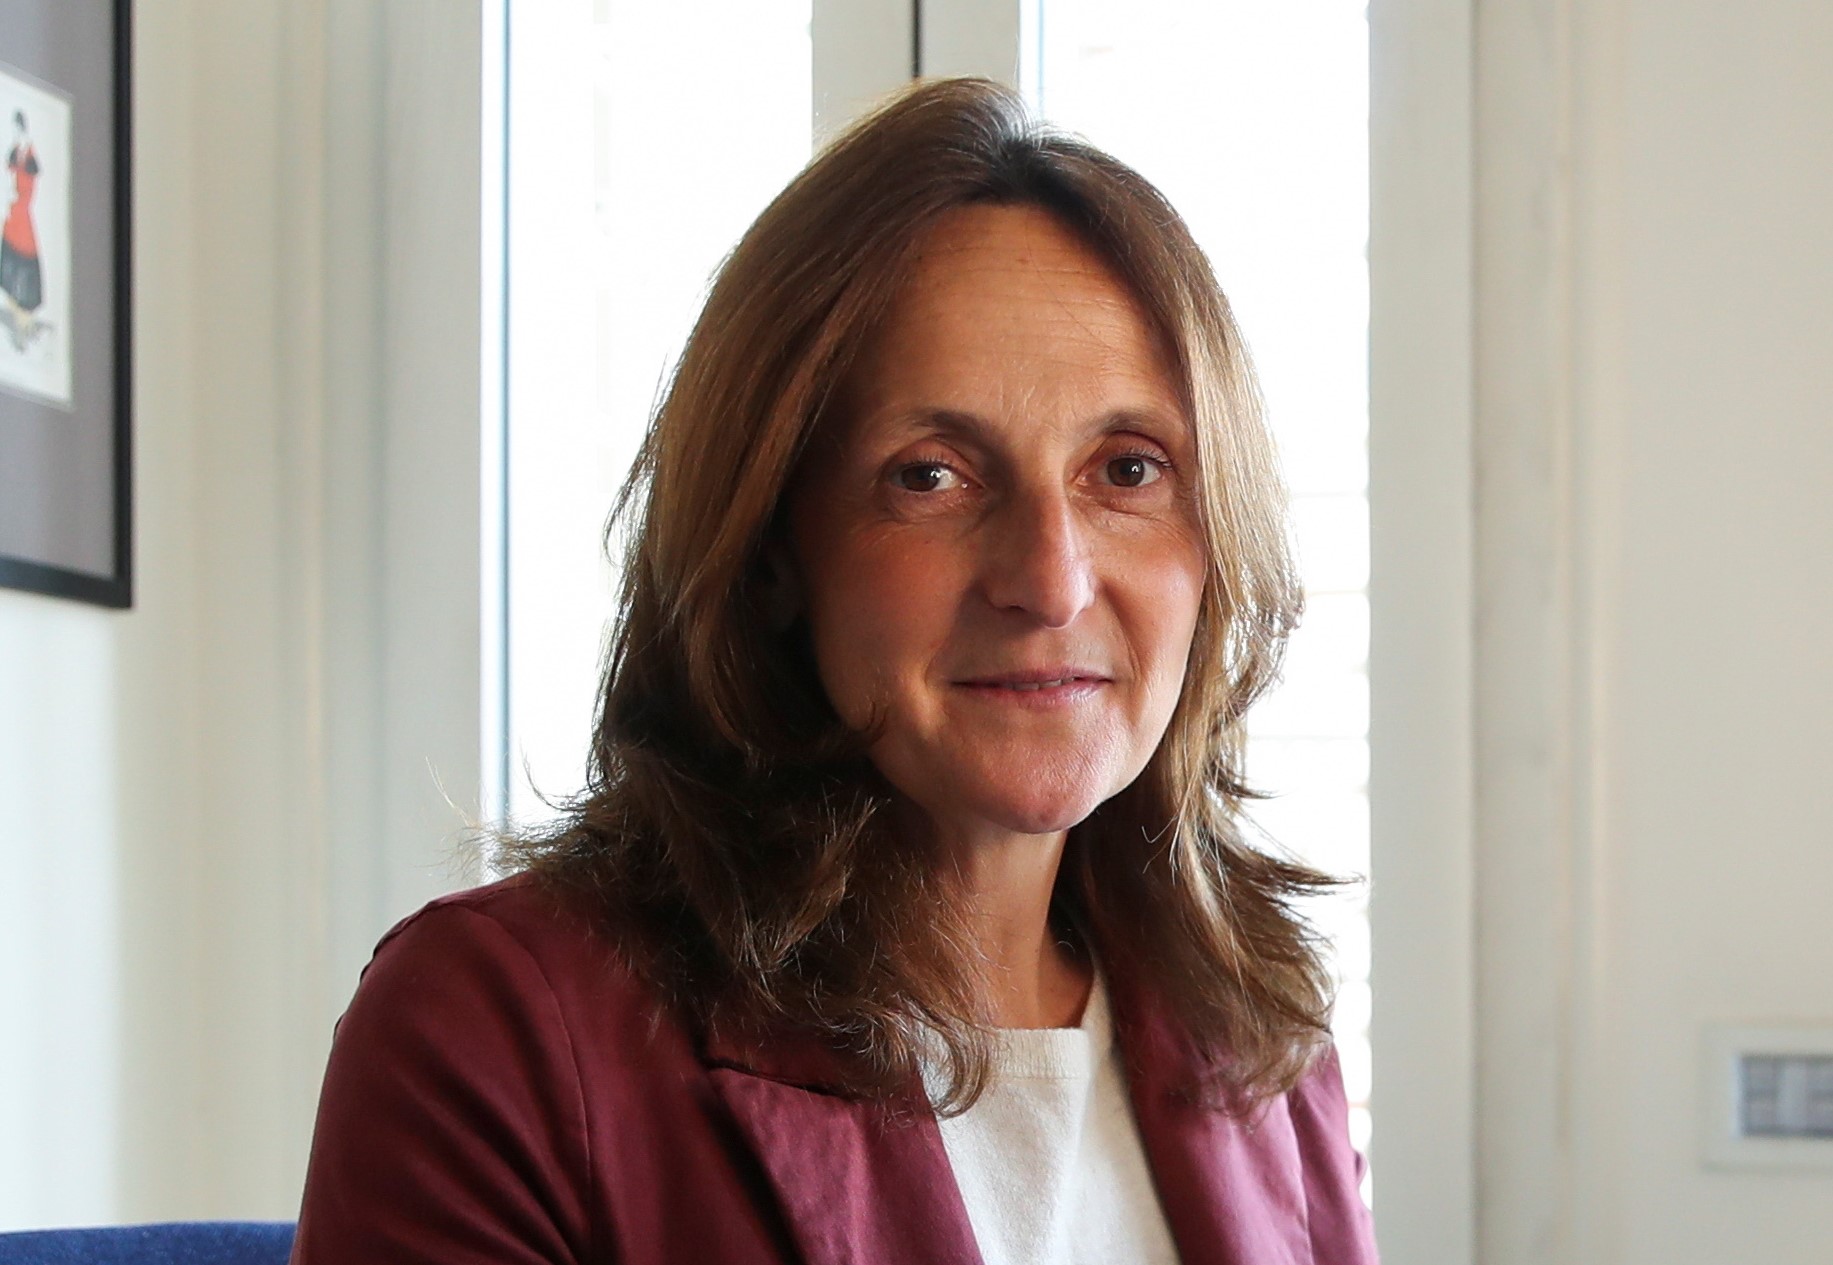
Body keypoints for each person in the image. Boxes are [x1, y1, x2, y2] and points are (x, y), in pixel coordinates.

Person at [290, 77, 1378, 1265]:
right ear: (770, 551)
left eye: (1127, 471)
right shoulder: (499, 1031)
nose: (1052, 581)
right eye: (931, 474)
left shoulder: (1267, 1044)